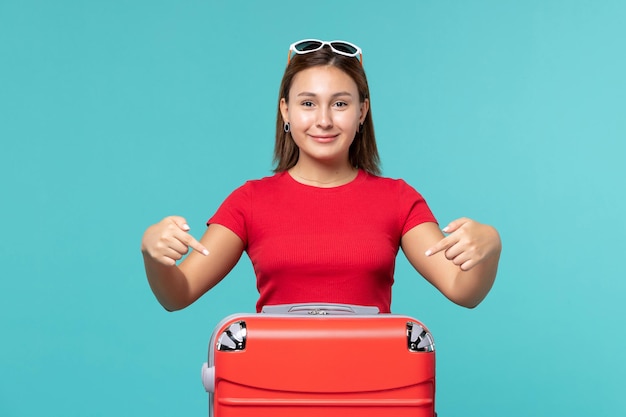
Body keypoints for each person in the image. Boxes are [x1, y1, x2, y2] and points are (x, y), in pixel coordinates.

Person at [141, 39, 502, 313]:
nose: (324, 120)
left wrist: (491, 247)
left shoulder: (398, 200)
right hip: (274, 394)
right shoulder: (250, 201)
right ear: (286, 109)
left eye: (340, 103)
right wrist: (152, 254)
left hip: (374, 394)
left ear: (362, 111)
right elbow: (179, 293)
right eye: (308, 103)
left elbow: (461, 289)